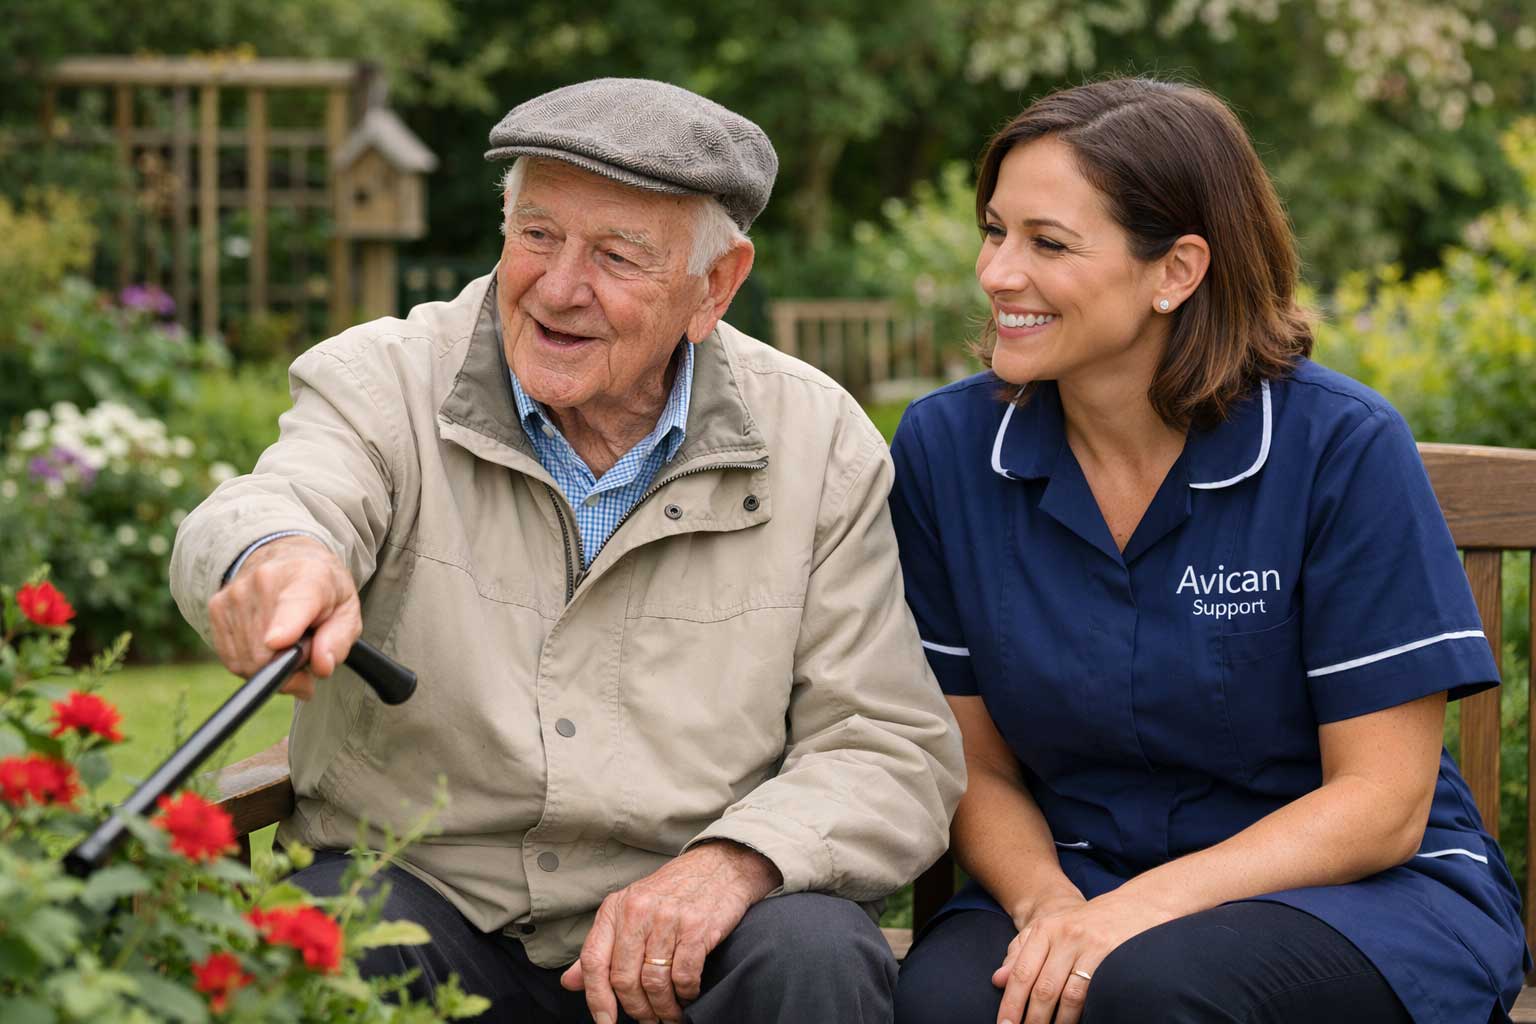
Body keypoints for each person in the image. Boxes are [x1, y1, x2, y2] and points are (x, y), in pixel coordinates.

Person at [171, 77, 964, 1024]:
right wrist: (277, 557)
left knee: (816, 954)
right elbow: (284, 494)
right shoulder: (382, 377)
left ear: (716, 284)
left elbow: (888, 743)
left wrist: (734, 864)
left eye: (617, 256)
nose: (557, 287)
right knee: (334, 930)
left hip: (695, 938)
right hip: (427, 898)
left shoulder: (820, 441)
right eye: (537, 235)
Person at [888, 77, 1528, 1024]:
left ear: (1177, 271)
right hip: (1076, 874)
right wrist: (1050, 906)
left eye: (1047, 243)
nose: (996, 274)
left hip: (1358, 893)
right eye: (995, 231)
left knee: (1149, 990)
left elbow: (1382, 802)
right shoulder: (948, 451)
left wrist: (1133, 914)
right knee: (950, 1007)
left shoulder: (1337, 446)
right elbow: (970, 763)